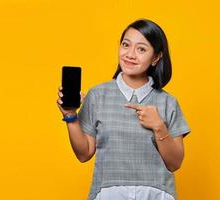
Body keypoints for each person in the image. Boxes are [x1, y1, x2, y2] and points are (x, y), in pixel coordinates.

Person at [57, 19, 191, 200]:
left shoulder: (168, 102)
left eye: (141, 49)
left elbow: (175, 163)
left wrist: (159, 126)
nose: (130, 54)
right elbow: (84, 153)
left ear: (156, 57)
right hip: (109, 194)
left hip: (156, 195)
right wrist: (71, 116)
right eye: (126, 45)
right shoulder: (97, 95)